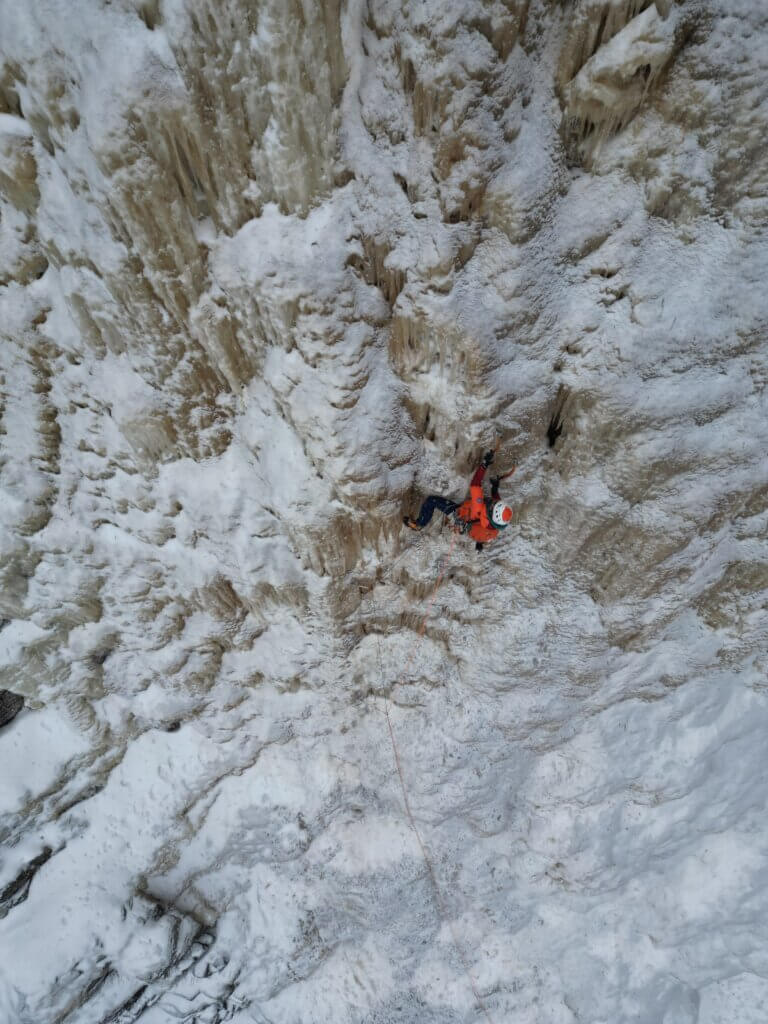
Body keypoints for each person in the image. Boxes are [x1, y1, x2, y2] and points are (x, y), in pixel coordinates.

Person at [403, 449, 514, 551]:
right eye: (495, 503)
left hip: (460, 515)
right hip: (476, 530)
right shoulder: (496, 526)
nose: (493, 503)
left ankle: (419, 524)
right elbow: (496, 500)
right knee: (478, 527)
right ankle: (477, 541)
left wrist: (484, 465)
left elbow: (475, 484)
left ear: (491, 512)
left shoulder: (479, 508)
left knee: (431, 501)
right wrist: (495, 487)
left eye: (493, 505)